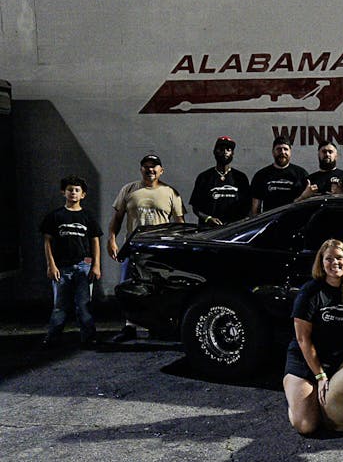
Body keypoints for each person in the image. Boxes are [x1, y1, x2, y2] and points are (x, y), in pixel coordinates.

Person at [283, 239, 343, 435]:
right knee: (307, 425)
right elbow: (303, 339)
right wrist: (321, 376)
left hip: (339, 361)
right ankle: (294, 399)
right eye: (328, 259)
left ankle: (314, 399)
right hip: (306, 362)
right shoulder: (310, 292)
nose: (334, 263)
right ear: (321, 263)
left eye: (339, 258)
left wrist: (340, 375)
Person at [107, 153, 185, 342]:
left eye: (154, 166)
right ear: (141, 169)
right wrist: (111, 239)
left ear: (161, 170)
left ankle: (156, 326)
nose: (150, 169)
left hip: (159, 250)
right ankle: (129, 326)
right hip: (134, 248)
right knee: (130, 287)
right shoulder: (129, 190)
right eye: (146, 166)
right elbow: (117, 218)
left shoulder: (170, 192)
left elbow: (179, 222)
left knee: (158, 288)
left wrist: (178, 247)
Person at [40, 175, 103, 348]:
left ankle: (89, 337)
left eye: (77, 190)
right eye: (69, 190)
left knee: (83, 305)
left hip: (84, 266)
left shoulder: (87, 216)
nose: (73, 193)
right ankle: (53, 337)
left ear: (83, 194)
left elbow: (95, 241)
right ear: (63, 192)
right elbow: (47, 241)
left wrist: (96, 265)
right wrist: (51, 265)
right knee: (60, 305)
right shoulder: (55, 216)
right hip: (62, 267)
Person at [189, 136, 251, 227]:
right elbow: (196, 207)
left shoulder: (240, 178)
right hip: (209, 231)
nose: (225, 152)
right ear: (214, 152)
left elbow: (248, 206)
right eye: (221, 149)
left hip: (234, 230)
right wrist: (208, 219)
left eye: (228, 149)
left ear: (232, 153)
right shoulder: (204, 177)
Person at [250, 136, 309, 214]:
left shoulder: (301, 174)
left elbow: (306, 201)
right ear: (273, 152)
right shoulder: (261, 175)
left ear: (290, 152)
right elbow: (255, 206)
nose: (282, 152)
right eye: (279, 149)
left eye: (285, 149)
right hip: (270, 219)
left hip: (294, 219)